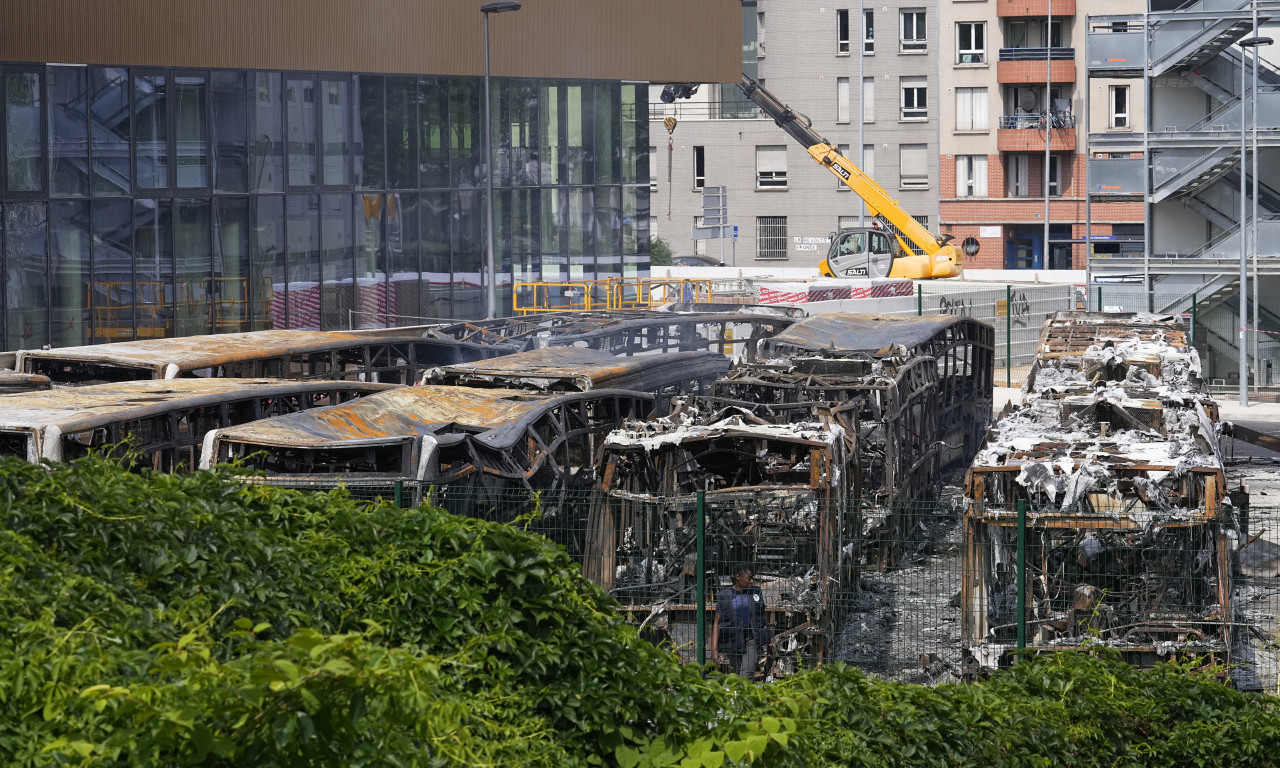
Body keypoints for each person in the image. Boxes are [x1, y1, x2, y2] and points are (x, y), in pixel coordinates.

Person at [711, 564, 767, 678]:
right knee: (737, 674)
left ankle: (742, 694)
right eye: (749, 578)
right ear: (738, 577)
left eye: (752, 578)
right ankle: (739, 695)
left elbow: (762, 617)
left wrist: (769, 642)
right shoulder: (725, 596)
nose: (752, 581)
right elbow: (717, 624)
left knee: (746, 674)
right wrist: (714, 649)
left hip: (752, 638)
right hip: (734, 640)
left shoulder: (755, 592)